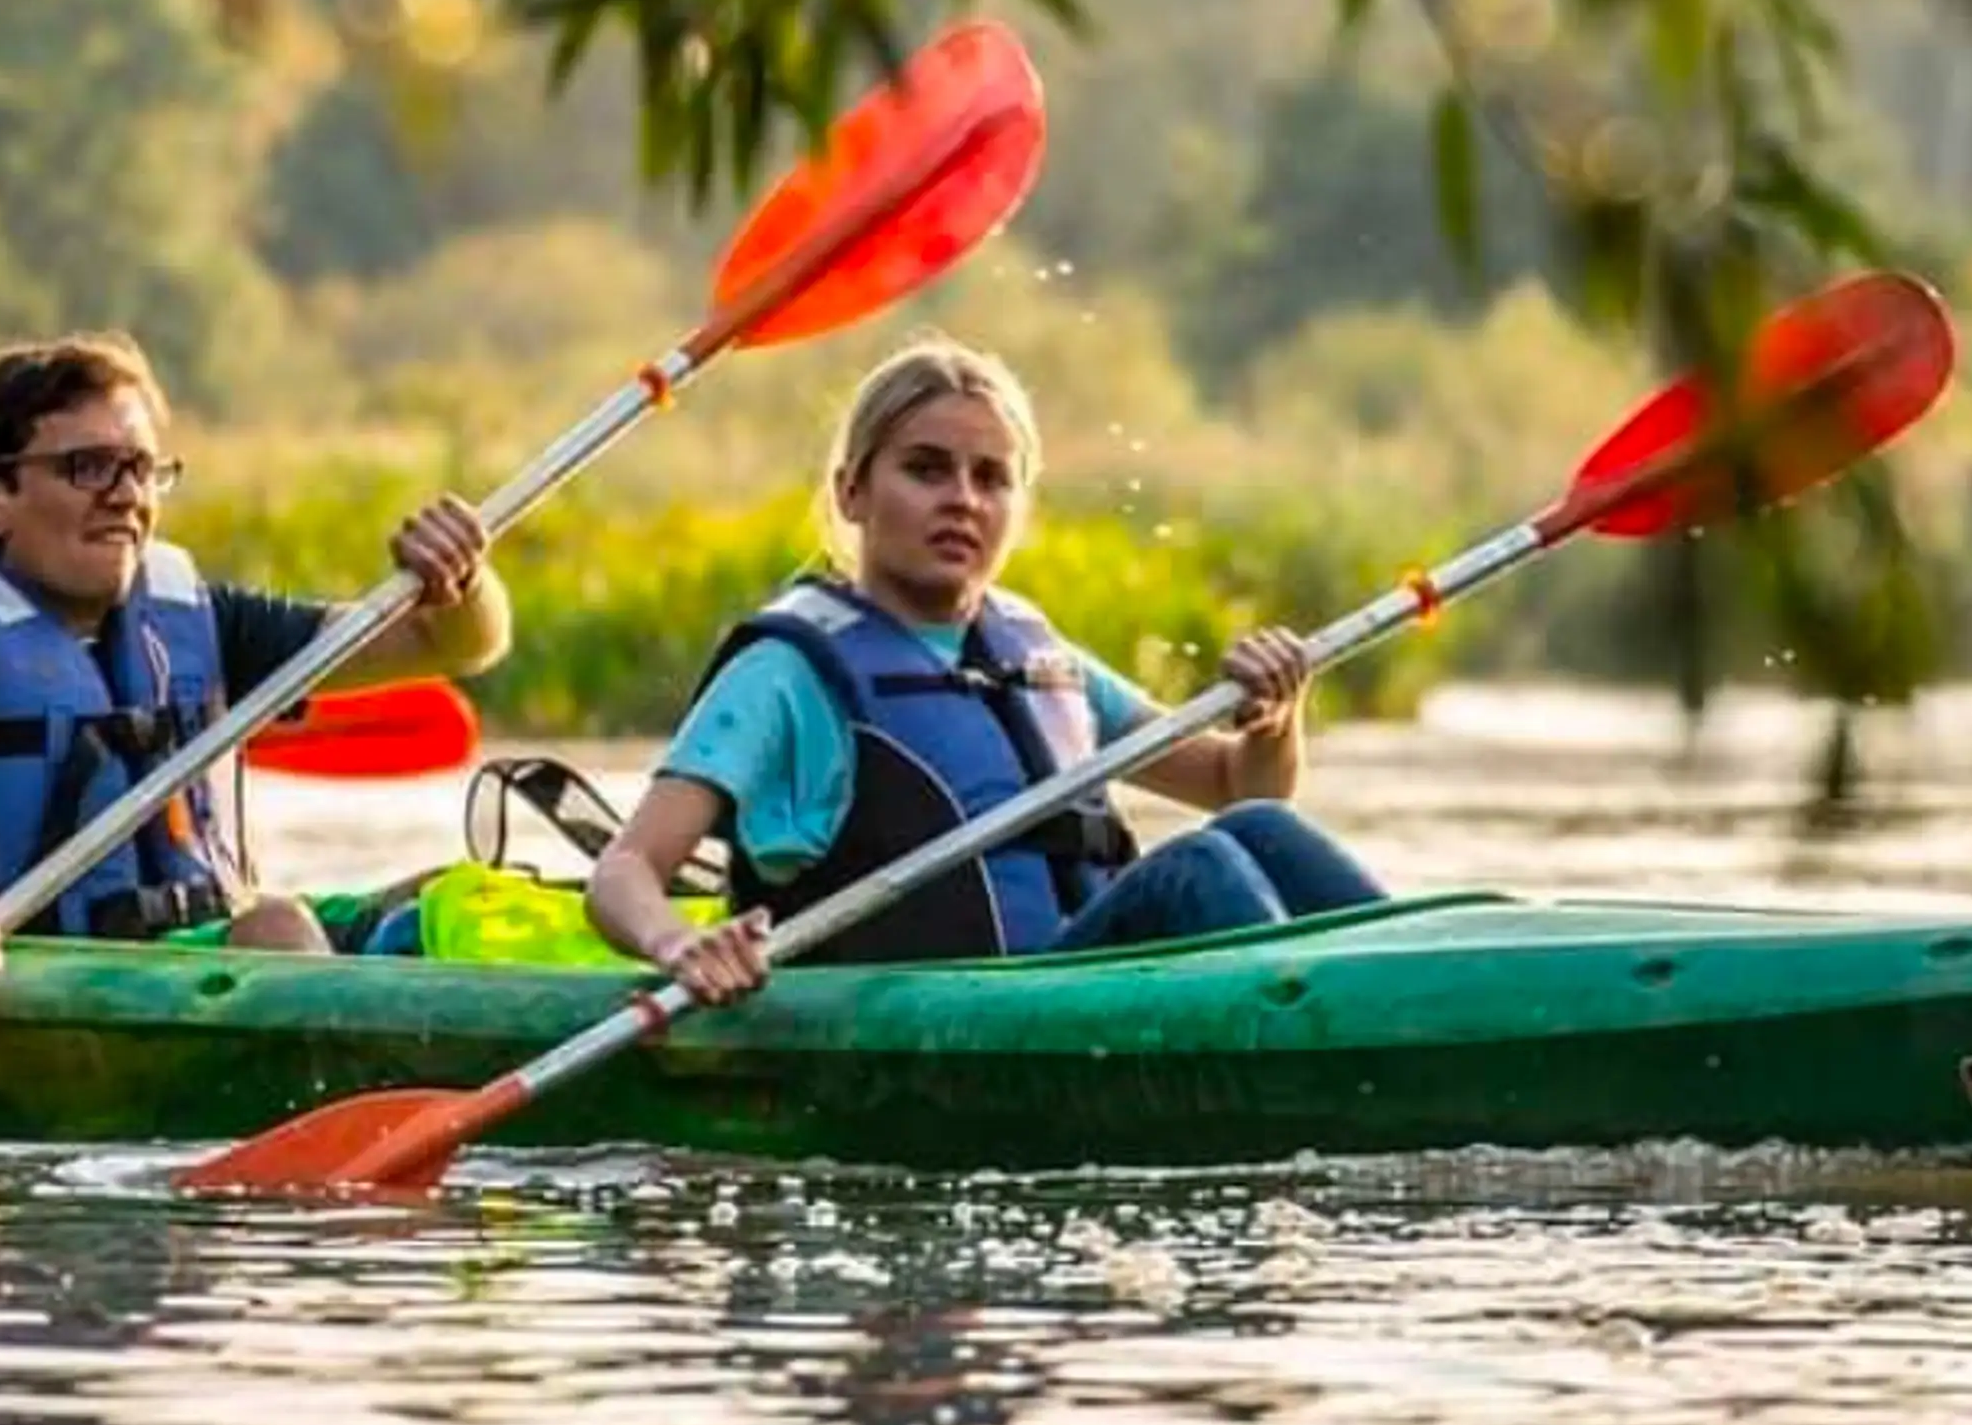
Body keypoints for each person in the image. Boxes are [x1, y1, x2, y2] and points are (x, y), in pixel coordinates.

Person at [586, 335, 1384, 1002]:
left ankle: (1421, 982)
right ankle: (1338, 1040)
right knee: (1197, 869)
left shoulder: (1037, 652)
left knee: (1261, 829)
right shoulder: (789, 672)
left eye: (990, 477)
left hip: (1072, 998)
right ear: (853, 491)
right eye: (927, 470)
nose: (962, 499)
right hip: (937, 1018)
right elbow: (622, 872)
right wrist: (679, 947)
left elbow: (1237, 785)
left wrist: (1277, 716)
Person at [0, 332, 510, 982]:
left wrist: (463, 582)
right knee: (276, 929)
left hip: (199, 957)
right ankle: (370, 1101)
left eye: (141, 468)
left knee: (454, 901)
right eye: (89, 467)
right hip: (40, 980)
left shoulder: (201, 622)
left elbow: (453, 643)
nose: (126, 496)